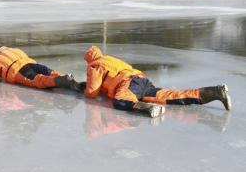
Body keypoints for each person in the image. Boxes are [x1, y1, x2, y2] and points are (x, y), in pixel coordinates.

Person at [82, 46, 232, 118]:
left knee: (120, 101)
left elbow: (92, 91)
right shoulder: (109, 59)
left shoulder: (95, 65)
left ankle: (148, 108)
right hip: (141, 81)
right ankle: (214, 92)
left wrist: (89, 90)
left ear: (89, 59)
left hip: (128, 84)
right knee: (171, 96)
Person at [0, 46, 81, 91]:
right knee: (48, 71)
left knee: (37, 80)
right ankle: (65, 78)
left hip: (18, 70)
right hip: (31, 63)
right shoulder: (14, 50)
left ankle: (59, 80)